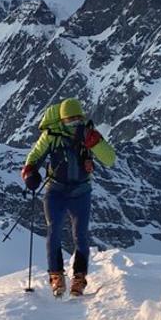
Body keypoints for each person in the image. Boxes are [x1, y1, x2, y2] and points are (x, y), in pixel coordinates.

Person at [20, 98, 116, 297]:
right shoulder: (52, 136)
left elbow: (109, 158)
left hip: (73, 191)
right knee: (55, 231)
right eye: (69, 120)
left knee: (79, 234)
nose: (73, 124)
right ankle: (57, 276)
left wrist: (95, 142)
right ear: (62, 120)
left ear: (82, 118)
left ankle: (77, 279)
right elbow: (35, 156)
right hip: (62, 191)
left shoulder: (87, 134)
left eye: (77, 120)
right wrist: (29, 172)